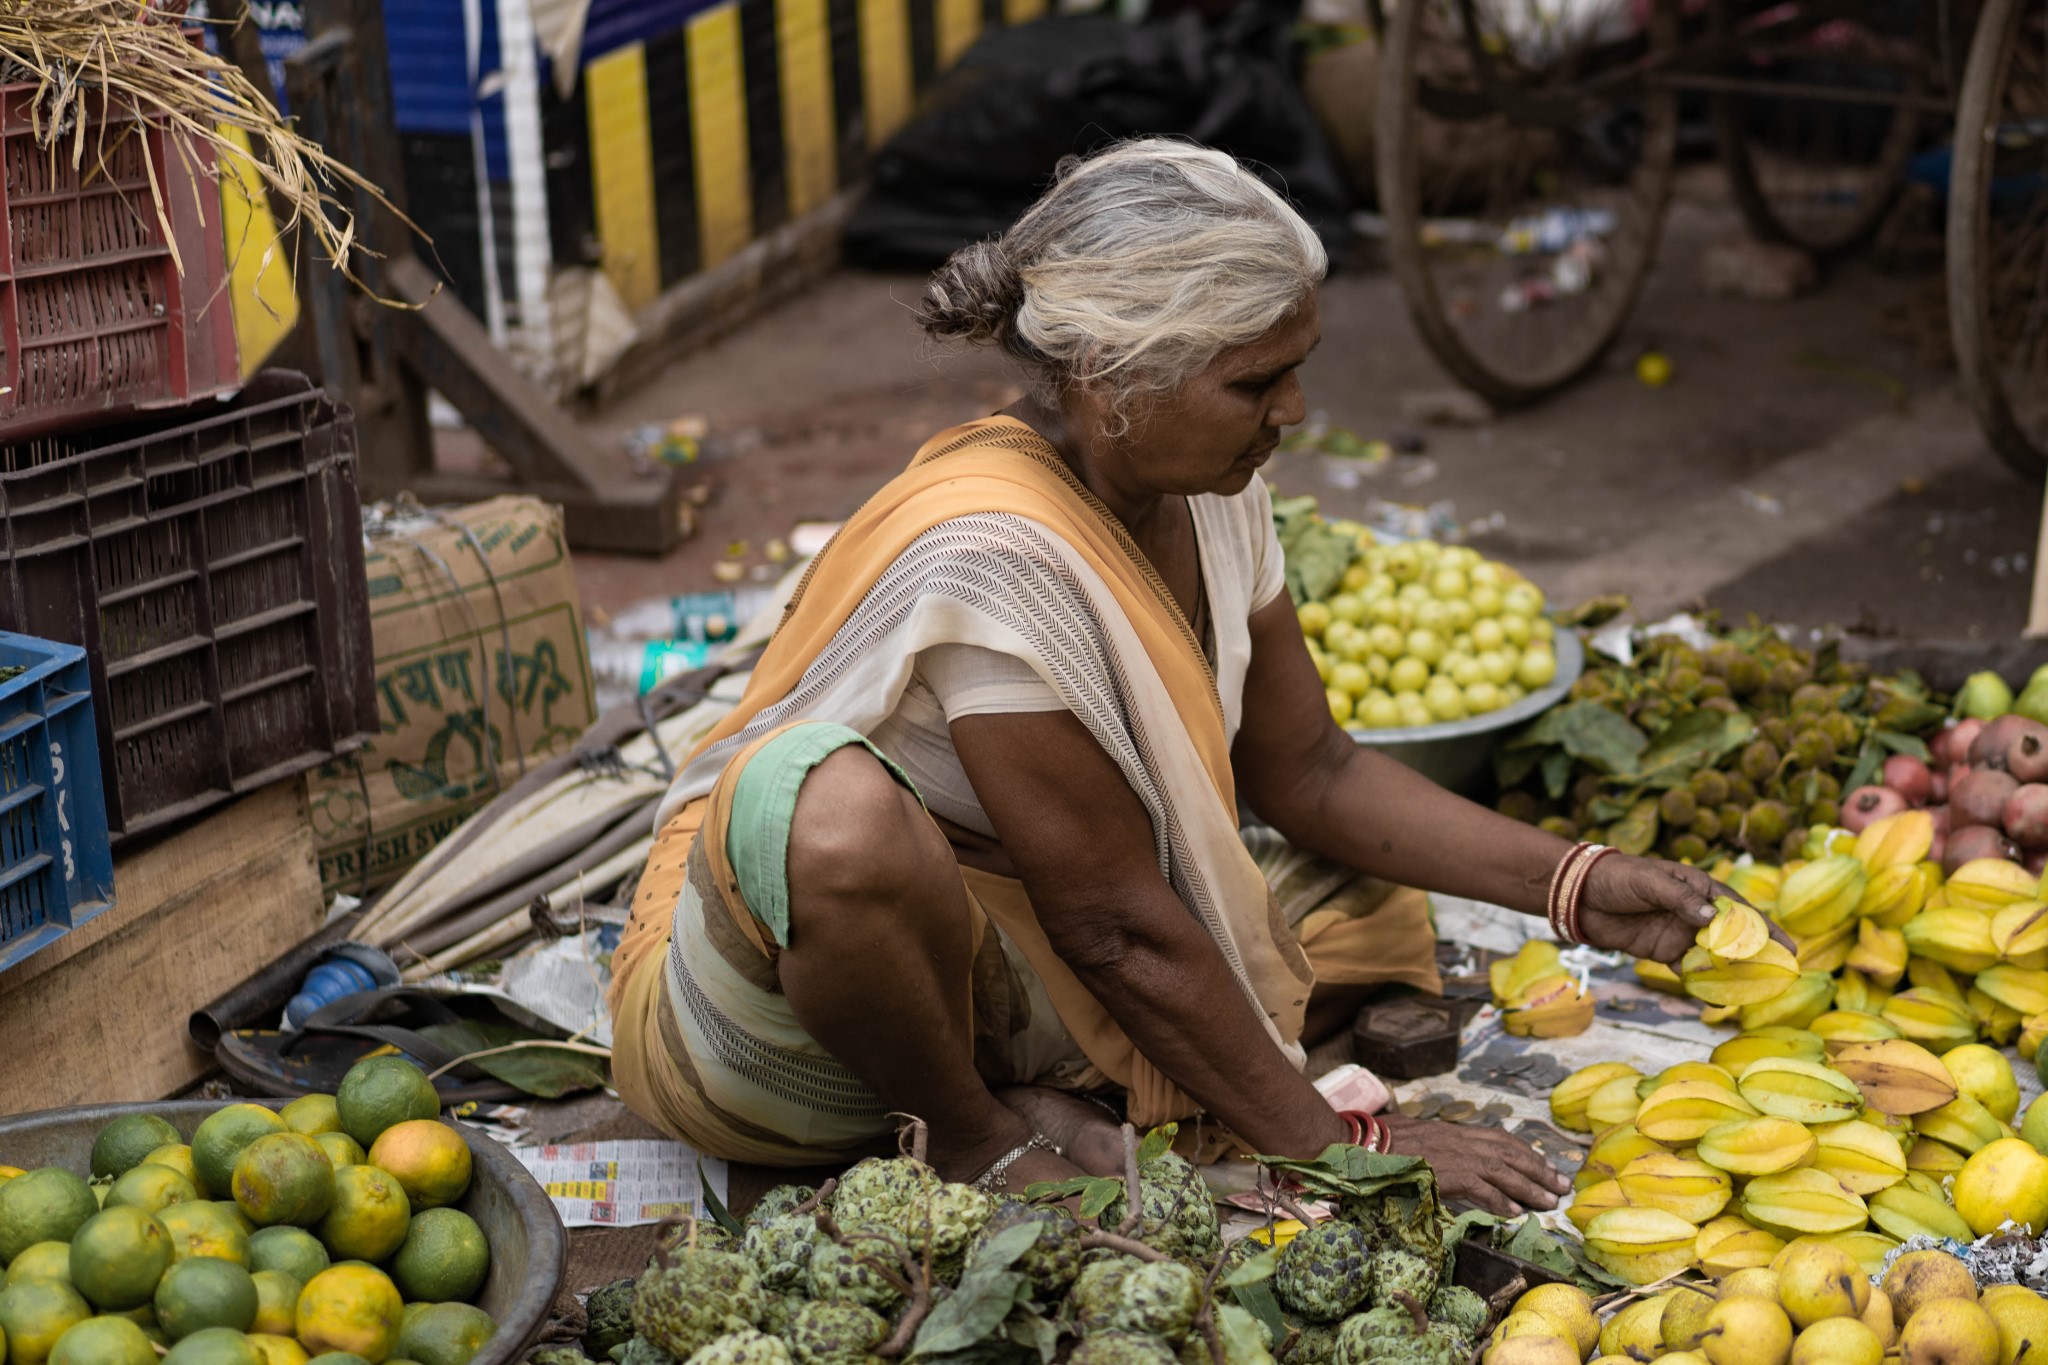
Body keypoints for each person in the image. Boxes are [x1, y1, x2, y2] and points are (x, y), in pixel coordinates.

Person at [607, 138, 1733, 1216]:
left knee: (1349, 902)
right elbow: (1114, 929)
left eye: (1293, 373)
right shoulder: (998, 557)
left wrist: (1577, 885)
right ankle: (971, 1139)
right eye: (1256, 383)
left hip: (997, 944)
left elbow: (1313, 773)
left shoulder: (1209, 485)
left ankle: (1035, 1091)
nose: (1291, 412)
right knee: (831, 819)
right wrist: (1340, 1150)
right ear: (1109, 376)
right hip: (782, 1029)